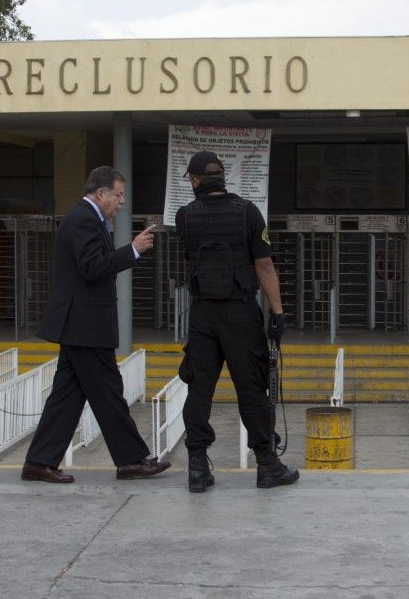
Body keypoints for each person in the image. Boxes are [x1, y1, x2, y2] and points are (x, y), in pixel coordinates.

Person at [21, 166, 170, 484]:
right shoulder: (84, 219)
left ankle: (39, 461)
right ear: (100, 193)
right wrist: (132, 250)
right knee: (108, 392)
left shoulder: (86, 218)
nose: (121, 202)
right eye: (118, 195)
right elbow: (91, 268)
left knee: (67, 395)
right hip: (85, 324)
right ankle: (130, 460)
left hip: (82, 324)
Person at [176, 150, 299, 492]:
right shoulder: (247, 212)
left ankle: (198, 468)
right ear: (222, 177)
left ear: (196, 180)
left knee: (199, 390)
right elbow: (264, 267)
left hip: (202, 315)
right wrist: (277, 313)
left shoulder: (185, 216)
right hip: (240, 313)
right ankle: (267, 465)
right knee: (251, 389)